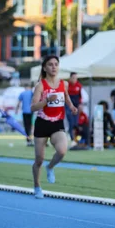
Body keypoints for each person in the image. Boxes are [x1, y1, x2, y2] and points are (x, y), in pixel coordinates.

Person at [29, 55, 78, 199]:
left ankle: (50, 167)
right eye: (50, 64)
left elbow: (66, 97)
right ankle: (37, 186)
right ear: (44, 68)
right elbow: (33, 107)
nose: (54, 67)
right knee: (39, 159)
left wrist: (71, 106)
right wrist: (46, 100)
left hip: (57, 123)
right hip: (42, 124)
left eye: (56, 64)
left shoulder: (64, 84)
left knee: (62, 151)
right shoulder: (41, 85)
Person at [66, 72, 83, 146]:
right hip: (68, 105)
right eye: (73, 78)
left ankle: (75, 139)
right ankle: (71, 138)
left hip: (76, 105)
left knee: (76, 123)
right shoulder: (67, 85)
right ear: (70, 78)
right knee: (71, 122)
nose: (75, 79)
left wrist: (80, 104)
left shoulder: (79, 85)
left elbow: (80, 96)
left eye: (76, 78)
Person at [16, 82, 34, 146]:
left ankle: (28, 140)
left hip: (25, 112)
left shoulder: (22, 93)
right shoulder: (32, 93)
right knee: (31, 126)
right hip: (31, 111)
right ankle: (31, 139)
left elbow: (18, 102)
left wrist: (16, 110)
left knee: (26, 126)